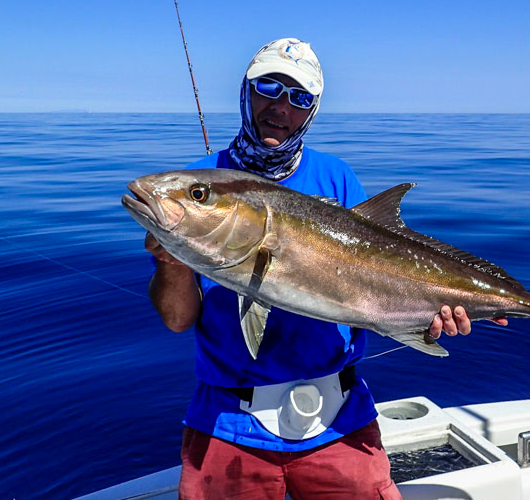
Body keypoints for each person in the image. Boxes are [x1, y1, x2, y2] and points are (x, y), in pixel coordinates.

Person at [145, 37, 505, 500]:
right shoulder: (203, 183)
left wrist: (429, 322)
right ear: (246, 90)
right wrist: (169, 258)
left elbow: (382, 283)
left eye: (299, 98)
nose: (281, 107)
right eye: (269, 87)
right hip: (227, 423)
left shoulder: (337, 179)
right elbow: (177, 319)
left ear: (312, 109)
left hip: (340, 420)